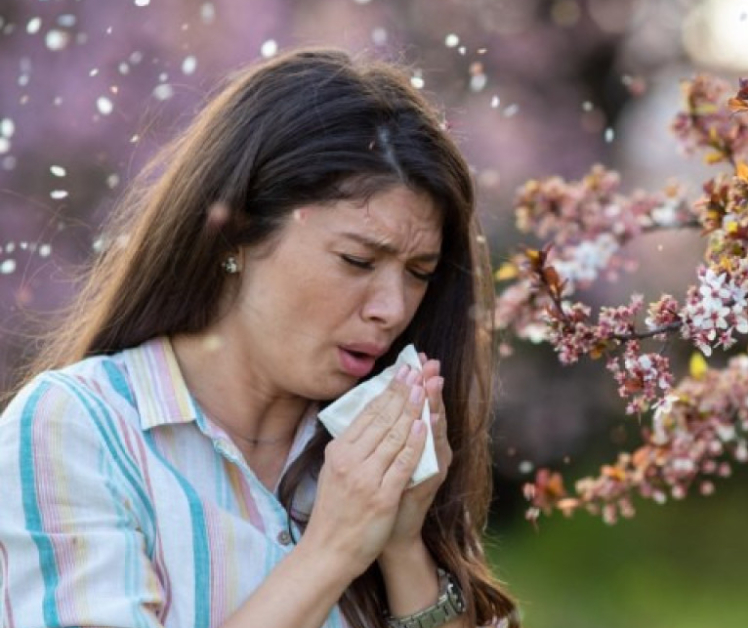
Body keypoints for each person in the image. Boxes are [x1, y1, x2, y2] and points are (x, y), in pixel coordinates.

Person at [0, 48, 519, 628]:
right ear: (236, 235)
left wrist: (402, 546)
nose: (392, 309)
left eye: (419, 273)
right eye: (356, 260)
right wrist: (332, 550)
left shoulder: (366, 454)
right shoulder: (78, 428)